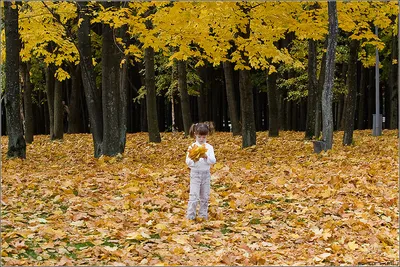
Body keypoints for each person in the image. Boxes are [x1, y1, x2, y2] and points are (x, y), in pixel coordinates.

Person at [185, 122, 216, 220]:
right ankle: (190, 216)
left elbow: (213, 161)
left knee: (205, 196)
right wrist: (194, 160)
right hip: (195, 174)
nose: (201, 139)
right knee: (194, 196)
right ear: (195, 135)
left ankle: (203, 215)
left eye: (204, 137)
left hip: (206, 174)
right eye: (199, 137)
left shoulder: (209, 147)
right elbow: (188, 161)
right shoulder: (192, 147)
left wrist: (206, 157)